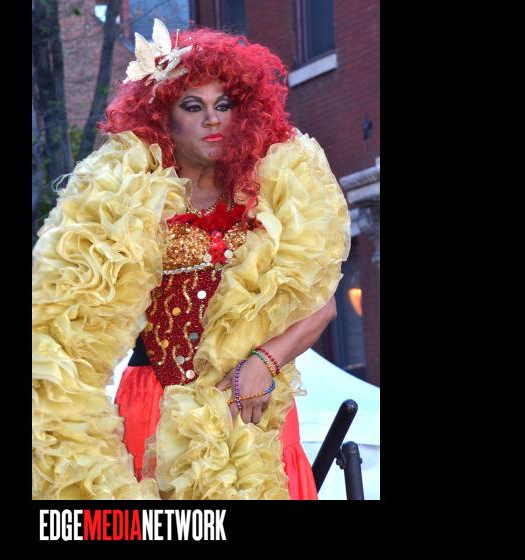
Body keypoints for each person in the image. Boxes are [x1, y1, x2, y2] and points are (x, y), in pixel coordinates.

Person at [32, 20, 351, 500]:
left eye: (223, 105)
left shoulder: (269, 194)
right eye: (193, 106)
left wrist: (265, 361)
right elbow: (65, 323)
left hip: (246, 403)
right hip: (152, 407)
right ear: (162, 116)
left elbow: (321, 304)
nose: (212, 120)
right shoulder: (127, 199)